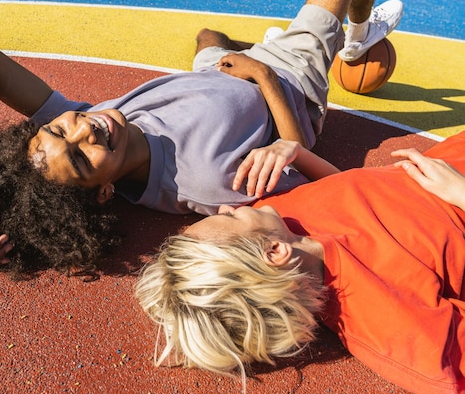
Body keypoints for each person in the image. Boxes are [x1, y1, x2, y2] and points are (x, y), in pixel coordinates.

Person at [0, 0, 402, 274]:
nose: (85, 131)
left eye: (60, 130)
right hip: (289, 78)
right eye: (82, 157)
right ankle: (355, 38)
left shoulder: (96, 123)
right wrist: (262, 76)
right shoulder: (207, 180)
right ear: (104, 191)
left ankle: (317, 39)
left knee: (207, 37)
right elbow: (311, 171)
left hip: (213, 75)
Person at [135, 143, 465, 391]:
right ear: (274, 252)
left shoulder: (279, 219)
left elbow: (362, 197)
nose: (224, 206)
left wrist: (297, 151)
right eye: (226, 217)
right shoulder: (394, 326)